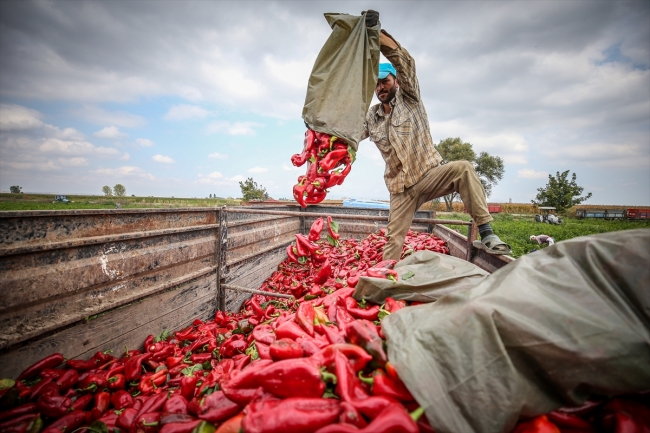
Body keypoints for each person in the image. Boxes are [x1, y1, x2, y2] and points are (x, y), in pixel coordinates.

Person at [360, 10, 511, 261]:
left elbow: (404, 62)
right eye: (376, 85)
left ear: (395, 81)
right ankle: (385, 285)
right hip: (401, 190)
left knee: (463, 168)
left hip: (429, 174)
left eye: (384, 81)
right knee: (393, 241)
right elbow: (347, 135)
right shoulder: (371, 117)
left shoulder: (410, 98)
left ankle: (486, 232)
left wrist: (375, 34)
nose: (380, 88)